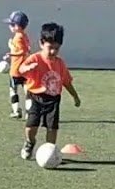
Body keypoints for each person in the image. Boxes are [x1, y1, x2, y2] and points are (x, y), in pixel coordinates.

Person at [17, 22, 81, 161]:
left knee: (52, 128)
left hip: (53, 99)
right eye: (50, 48)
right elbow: (21, 69)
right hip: (35, 96)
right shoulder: (35, 58)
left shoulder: (60, 63)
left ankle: (50, 152)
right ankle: (30, 142)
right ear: (41, 43)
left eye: (56, 48)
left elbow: (66, 82)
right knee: (31, 126)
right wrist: (27, 69)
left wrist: (75, 96)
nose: (53, 51)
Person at [3, 10, 31, 119]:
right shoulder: (24, 36)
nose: (9, 26)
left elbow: (22, 51)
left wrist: (10, 54)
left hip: (16, 69)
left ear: (17, 26)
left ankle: (16, 111)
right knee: (27, 91)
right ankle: (28, 112)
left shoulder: (18, 37)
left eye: (11, 24)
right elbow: (25, 50)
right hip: (25, 69)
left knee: (13, 90)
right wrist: (11, 46)